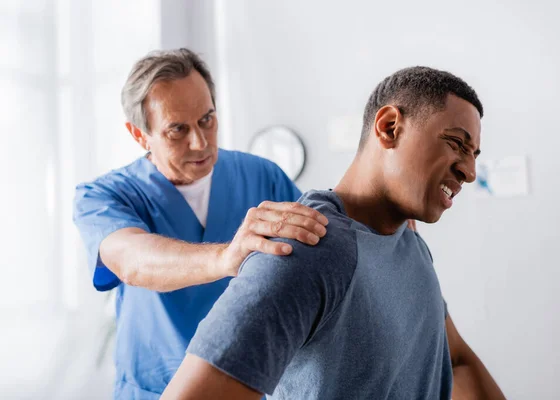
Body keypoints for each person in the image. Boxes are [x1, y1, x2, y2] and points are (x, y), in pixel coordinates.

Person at [162, 67, 507, 399]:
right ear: (389, 127)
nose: (470, 171)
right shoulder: (308, 248)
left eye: (474, 155)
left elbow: (456, 360)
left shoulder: (411, 244)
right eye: (456, 144)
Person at [72, 48, 331, 399]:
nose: (201, 142)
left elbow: (319, 241)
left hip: (248, 386)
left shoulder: (261, 176)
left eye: (207, 119)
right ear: (139, 134)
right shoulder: (103, 196)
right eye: (177, 130)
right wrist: (225, 257)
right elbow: (132, 260)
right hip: (155, 391)